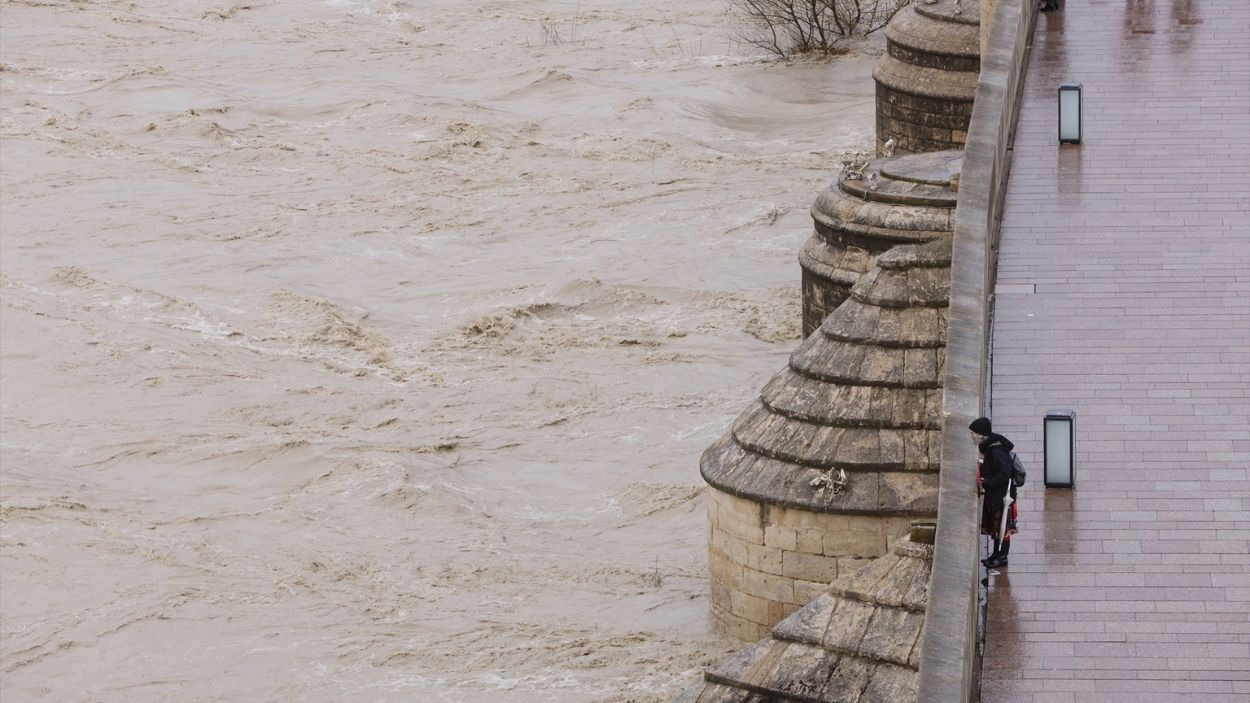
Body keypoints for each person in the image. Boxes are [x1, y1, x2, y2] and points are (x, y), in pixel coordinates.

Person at [971, 416, 1017, 568]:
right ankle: (996, 555)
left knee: (1003, 526)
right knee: (997, 526)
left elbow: (1005, 473)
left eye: (973, 433)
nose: (971, 436)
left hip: (1003, 495)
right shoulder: (989, 447)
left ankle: (1002, 557)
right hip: (997, 493)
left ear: (981, 435)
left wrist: (988, 482)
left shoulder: (996, 450)